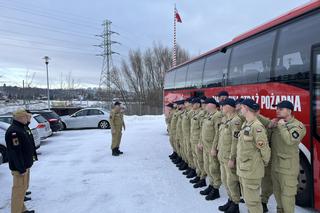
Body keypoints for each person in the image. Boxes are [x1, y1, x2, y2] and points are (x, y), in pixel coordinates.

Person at [270, 100, 306, 213]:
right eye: (277, 109)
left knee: (287, 197)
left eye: (281, 109)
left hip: (288, 169)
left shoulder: (298, 126)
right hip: (275, 166)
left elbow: (290, 140)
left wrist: (281, 127)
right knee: (277, 193)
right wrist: (270, 126)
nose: (277, 111)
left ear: (289, 111)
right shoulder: (278, 123)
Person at [237, 99, 271, 213]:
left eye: (241, 107)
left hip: (252, 170)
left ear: (246, 108)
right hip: (244, 168)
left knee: (253, 202)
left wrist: (263, 163)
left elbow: (264, 149)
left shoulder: (257, 127)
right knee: (248, 199)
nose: (240, 109)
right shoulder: (246, 124)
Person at [5, 109, 35, 213]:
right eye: (26, 117)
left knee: (21, 191)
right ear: (20, 118)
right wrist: (21, 168)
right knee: (18, 192)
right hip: (19, 168)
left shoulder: (20, 128)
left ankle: (22, 210)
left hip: (24, 165)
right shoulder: (14, 131)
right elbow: (15, 152)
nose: (28, 119)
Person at [216, 98, 242, 213]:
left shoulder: (236, 121)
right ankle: (230, 200)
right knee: (225, 180)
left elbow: (235, 141)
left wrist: (232, 158)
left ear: (230, 107)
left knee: (232, 181)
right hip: (222, 155)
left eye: (223, 105)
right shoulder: (225, 120)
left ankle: (235, 204)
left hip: (229, 157)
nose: (221, 107)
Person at [199, 98, 222, 200]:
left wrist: (214, 148)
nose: (204, 105)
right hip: (206, 146)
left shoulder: (217, 116)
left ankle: (215, 189)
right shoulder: (208, 115)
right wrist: (200, 142)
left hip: (211, 146)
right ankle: (211, 185)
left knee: (214, 168)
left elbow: (218, 133)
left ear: (212, 105)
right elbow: (203, 131)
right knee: (208, 166)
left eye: (206, 103)